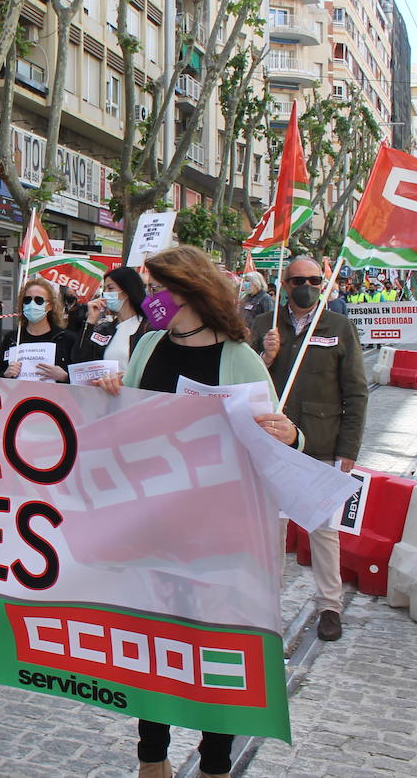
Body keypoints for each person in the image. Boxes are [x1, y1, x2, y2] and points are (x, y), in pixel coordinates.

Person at [93, 246, 302, 778]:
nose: (147, 298)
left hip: (219, 540)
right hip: (152, 529)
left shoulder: (239, 357)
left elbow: (273, 445)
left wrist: (293, 434)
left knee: (215, 653)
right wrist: (111, 395)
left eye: (157, 287)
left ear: (187, 292)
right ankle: (152, 759)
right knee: (152, 644)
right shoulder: (148, 347)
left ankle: (213, 764)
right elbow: (123, 430)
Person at [253, 256, 367, 642]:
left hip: (321, 441)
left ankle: (329, 606)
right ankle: (267, 609)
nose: (307, 286)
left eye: (315, 280)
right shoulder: (265, 325)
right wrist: (266, 357)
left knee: (323, 528)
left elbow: (355, 392)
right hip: (272, 442)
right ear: (284, 284)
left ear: (324, 285)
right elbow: (245, 383)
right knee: (273, 530)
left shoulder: (339, 326)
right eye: (298, 279)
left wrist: (347, 449)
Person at [0, 276, 73, 380]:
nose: (32, 304)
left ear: (49, 306)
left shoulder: (66, 339)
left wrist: (65, 377)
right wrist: (5, 374)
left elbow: (79, 380)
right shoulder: (11, 338)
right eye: (27, 300)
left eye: (38, 300)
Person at [74, 266, 150, 366]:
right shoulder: (105, 330)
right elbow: (79, 359)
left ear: (127, 291)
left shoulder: (147, 328)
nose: (106, 294)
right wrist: (90, 321)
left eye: (110, 288)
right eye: (104, 289)